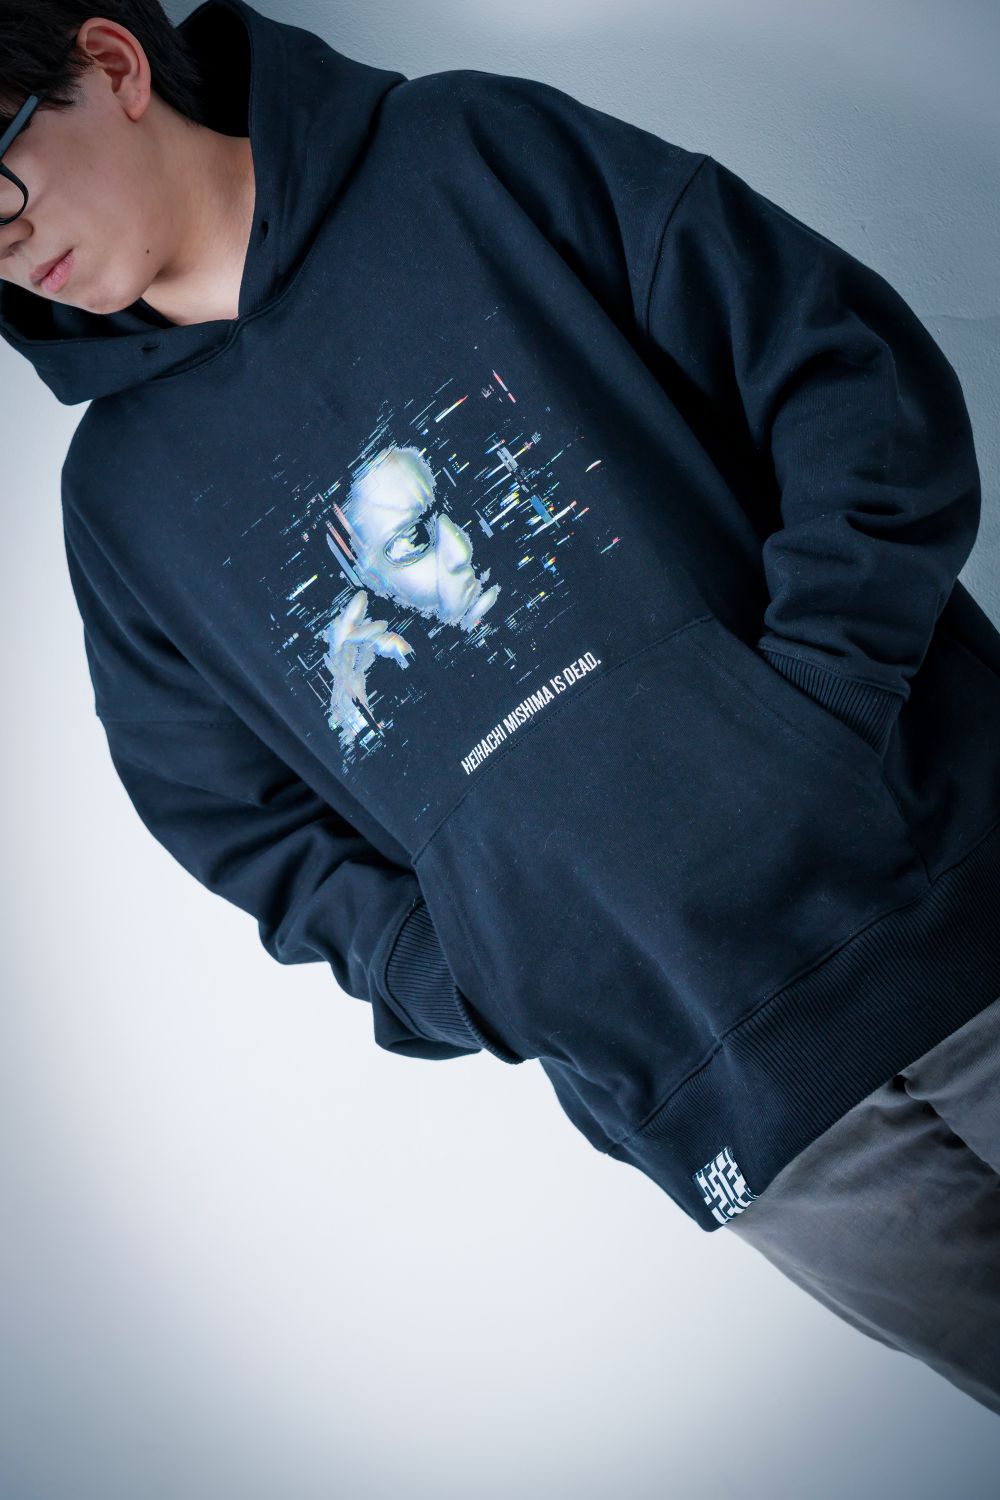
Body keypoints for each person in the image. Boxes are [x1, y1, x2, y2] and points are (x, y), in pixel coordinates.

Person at [2, 0, 999, 1415]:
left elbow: (842, 373)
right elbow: (229, 817)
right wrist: (472, 969)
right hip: (731, 1096)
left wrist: (824, 707)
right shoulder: (117, 505)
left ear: (110, 65)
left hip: (954, 884)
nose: (4, 252)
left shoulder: (468, 152)